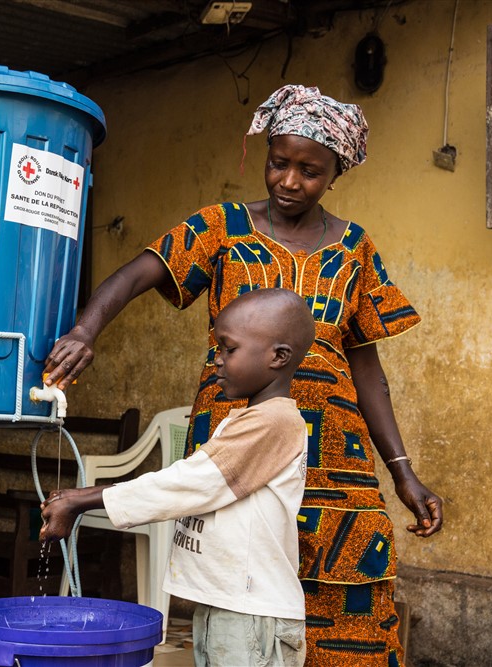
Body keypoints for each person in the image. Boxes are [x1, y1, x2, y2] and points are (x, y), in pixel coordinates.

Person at [42, 85, 443, 666]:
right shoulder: (221, 227)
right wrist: (86, 331)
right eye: (279, 162)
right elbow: (134, 276)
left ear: (336, 173)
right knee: (241, 577)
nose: (288, 181)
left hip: (336, 454)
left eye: (310, 171)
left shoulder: (356, 249)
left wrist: (403, 473)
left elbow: (368, 372)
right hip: (238, 433)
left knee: (350, 588)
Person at [41, 288, 316, 667]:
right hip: (227, 602)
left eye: (228, 349)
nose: (216, 361)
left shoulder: (274, 423)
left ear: (278, 357)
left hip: (251, 612)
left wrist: (84, 498)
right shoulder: (253, 420)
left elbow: (190, 483)